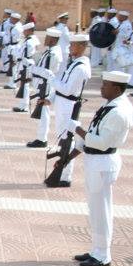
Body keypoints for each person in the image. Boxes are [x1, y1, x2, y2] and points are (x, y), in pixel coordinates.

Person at [71, 71, 133, 266]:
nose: (101, 87)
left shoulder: (119, 112)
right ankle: (96, 249)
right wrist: (71, 155)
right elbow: (95, 132)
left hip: (103, 162)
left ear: (116, 89)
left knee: (101, 211)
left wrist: (78, 129)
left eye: (105, 85)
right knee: (95, 209)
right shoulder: (112, 104)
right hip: (96, 162)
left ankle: (102, 255)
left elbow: (100, 142)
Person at [45, 34, 92, 187]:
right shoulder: (74, 63)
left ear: (81, 46)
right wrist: (51, 99)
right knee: (63, 138)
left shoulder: (81, 68)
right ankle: (62, 174)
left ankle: (64, 176)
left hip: (68, 106)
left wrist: (51, 79)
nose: (70, 48)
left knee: (67, 141)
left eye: (72, 45)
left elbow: (67, 89)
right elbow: (63, 86)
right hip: (62, 103)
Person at [26, 28, 64, 148]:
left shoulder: (53, 54)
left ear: (53, 40)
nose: (45, 39)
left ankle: (42, 139)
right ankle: (41, 137)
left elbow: (48, 72)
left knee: (43, 112)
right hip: (43, 84)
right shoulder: (50, 51)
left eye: (47, 37)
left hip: (46, 86)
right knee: (42, 112)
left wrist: (32, 68)